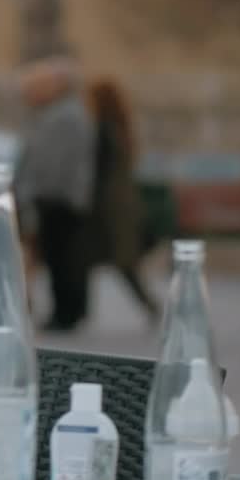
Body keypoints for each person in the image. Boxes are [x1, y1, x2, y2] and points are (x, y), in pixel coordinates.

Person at [14, 57, 96, 332]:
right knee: (61, 259)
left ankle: (65, 315)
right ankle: (67, 312)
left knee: (63, 260)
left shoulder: (65, 115)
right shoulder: (60, 113)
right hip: (58, 198)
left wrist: (39, 193)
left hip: (59, 199)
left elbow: (53, 162)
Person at [86, 76, 159, 323]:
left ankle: (153, 308)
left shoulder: (104, 131)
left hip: (111, 209)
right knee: (125, 264)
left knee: (123, 263)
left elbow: (98, 172)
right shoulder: (120, 128)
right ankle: (152, 308)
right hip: (123, 207)